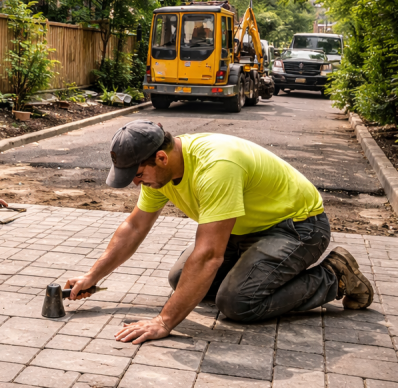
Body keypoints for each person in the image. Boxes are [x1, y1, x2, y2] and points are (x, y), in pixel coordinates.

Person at [65, 120, 373, 344]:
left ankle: (336, 276)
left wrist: (164, 321)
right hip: (246, 230)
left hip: (297, 228)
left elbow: (210, 255)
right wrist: (93, 276)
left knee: (237, 302)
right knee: (180, 280)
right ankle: (260, 275)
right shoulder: (162, 173)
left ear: (161, 157)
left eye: (138, 174)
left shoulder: (215, 166)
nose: (136, 183)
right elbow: (134, 227)